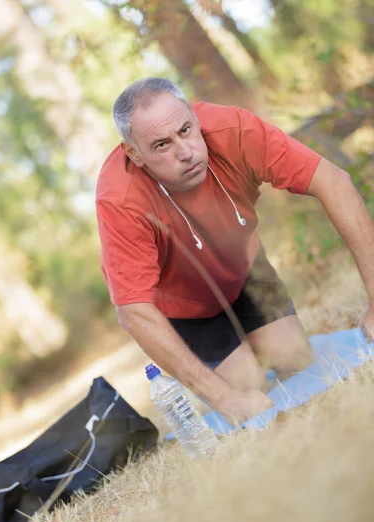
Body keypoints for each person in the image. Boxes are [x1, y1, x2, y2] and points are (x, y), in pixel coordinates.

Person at [96, 77, 374, 422]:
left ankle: (267, 346)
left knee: (295, 361)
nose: (185, 152)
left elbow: (333, 181)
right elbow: (134, 313)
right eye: (162, 145)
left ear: (194, 118)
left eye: (185, 130)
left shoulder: (233, 129)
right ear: (135, 154)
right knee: (248, 389)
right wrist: (226, 400)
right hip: (186, 307)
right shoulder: (119, 199)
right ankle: (233, 375)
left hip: (245, 269)